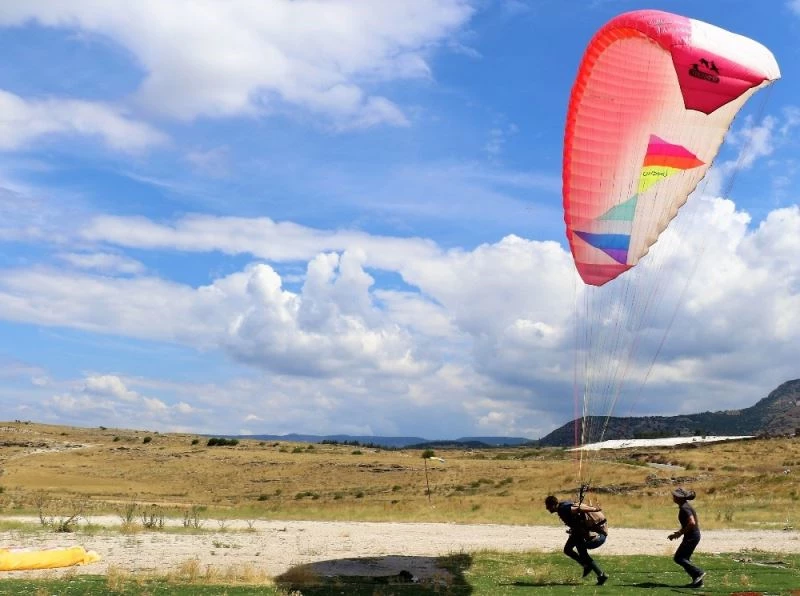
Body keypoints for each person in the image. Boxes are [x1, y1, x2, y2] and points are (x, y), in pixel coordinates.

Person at [545, 495, 609, 586]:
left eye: (547, 506)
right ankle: (593, 570)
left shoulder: (564, 508)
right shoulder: (563, 506)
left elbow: (577, 510)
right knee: (569, 549)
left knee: (580, 549)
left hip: (598, 536)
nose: (547, 508)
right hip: (583, 532)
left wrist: (594, 509)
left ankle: (596, 571)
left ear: (553, 505)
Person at [668, 487, 706, 588]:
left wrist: (680, 533)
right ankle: (698, 582)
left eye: (675, 496)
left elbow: (692, 523)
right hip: (692, 535)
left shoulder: (685, 508)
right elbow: (688, 524)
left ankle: (698, 573)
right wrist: (677, 534)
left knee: (679, 558)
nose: (673, 497)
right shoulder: (684, 506)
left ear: (680, 498)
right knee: (684, 559)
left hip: (692, 536)